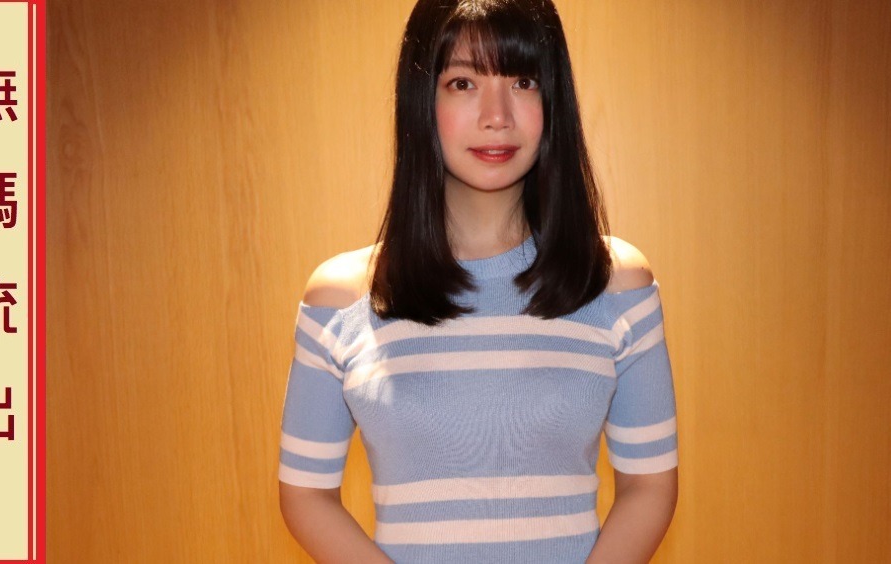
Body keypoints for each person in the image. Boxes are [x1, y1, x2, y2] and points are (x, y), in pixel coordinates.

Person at [278, 0, 679, 562]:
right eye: (463, 83)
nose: (497, 115)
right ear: (422, 100)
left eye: (523, 81)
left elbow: (649, 487)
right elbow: (305, 496)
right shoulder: (342, 298)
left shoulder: (614, 285)